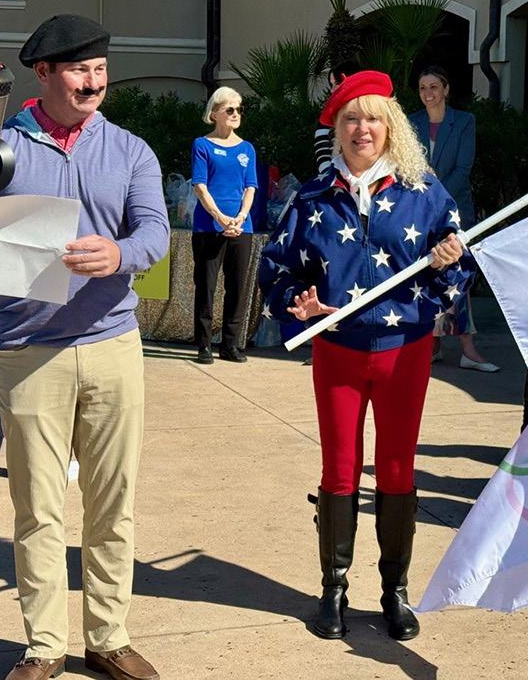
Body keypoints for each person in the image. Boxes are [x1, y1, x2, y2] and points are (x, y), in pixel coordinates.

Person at [0, 14, 168, 680]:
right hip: (28, 351)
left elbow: (155, 232)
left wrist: (120, 253)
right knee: (37, 509)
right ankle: (44, 646)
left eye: (100, 70)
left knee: (112, 505)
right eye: (79, 71)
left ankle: (109, 638)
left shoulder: (130, 151)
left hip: (112, 343)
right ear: (43, 74)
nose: (93, 82)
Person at [259, 70, 473, 642]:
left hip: (405, 352)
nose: (362, 128)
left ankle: (394, 591)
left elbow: (462, 272)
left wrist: (447, 265)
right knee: (339, 468)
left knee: (398, 467)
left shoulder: (424, 193)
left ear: (391, 125)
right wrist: (299, 304)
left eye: (373, 117)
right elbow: (275, 271)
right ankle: (333, 589)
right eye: (351, 118)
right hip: (338, 353)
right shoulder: (311, 198)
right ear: (337, 129)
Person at [409, 66, 498, 373]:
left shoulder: (464, 121)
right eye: (423, 88)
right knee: (427, 276)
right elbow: (407, 164)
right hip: (420, 212)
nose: (428, 93)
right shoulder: (412, 122)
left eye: (434, 86)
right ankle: (432, 346)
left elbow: (463, 169)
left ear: (445, 89)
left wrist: (437, 197)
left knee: (458, 276)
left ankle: (468, 349)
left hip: (454, 211)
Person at [190, 87, 258, 364]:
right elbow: (200, 185)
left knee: (237, 287)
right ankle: (204, 344)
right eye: (229, 109)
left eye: (239, 109)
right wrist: (219, 217)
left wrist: (241, 216)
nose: (235, 114)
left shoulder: (247, 148)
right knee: (206, 286)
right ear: (214, 113)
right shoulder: (202, 145)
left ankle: (230, 344)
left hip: (242, 227)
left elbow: (250, 186)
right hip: (209, 226)